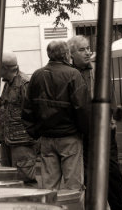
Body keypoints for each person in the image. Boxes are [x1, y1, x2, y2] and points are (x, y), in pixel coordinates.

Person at [67, 35, 122, 210]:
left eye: (88, 48)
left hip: (105, 129)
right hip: (83, 131)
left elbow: (111, 93)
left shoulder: (98, 70)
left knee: (113, 172)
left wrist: (115, 117)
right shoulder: (69, 73)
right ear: (71, 54)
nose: (87, 52)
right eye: (82, 50)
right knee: (88, 175)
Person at [22, 41, 88, 190]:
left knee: (49, 186)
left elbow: (27, 108)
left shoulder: (37, 75)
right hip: (70, 137)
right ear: (66, 54)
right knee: (74, 185)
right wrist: (85, 132)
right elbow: (82, 108)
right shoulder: (73, 74)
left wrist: (35, 133)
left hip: (46, 138)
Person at [0, 52, 38, 185]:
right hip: (8, 141)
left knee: (25, 181)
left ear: (4, 68)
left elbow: (34, 112)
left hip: (22, 142)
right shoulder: (8, 83)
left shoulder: (24, 83)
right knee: (10, 181)